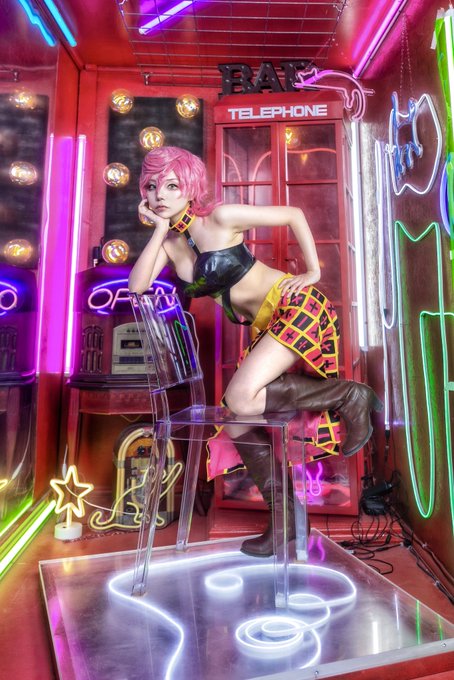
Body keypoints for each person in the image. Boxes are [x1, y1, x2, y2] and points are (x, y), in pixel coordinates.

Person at [129, 145, 382, 557]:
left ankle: (348, 395)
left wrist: (313, 270)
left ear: (190, 187)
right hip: (268, 325)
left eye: (172, 185)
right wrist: (159, 229)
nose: (160, 195)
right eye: (153, 187)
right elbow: (137, 286)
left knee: (241, 399)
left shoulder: (221, 217)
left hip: (295, 305)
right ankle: (286, 520)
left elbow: (293, 214)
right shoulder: (171, 244)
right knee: (235, 422)